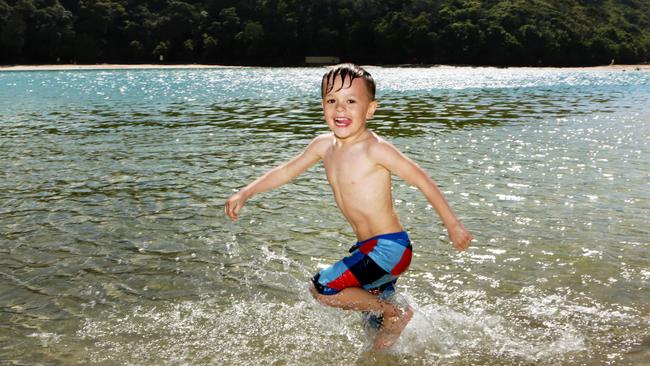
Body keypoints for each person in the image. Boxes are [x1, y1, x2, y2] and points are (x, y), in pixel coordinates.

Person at [224, 63, 473, 350]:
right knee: (371, 323)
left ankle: (395, 312)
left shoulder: (374, 148)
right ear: (323, 107)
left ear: (370, 109)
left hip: (389, 249)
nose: (340, 109)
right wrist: (245, 192)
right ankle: (383, 352)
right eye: (332, 101)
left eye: (351, 101)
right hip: (368, 250)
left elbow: (423, 180)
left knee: (323, 288)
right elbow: (286, 171)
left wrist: (453, 225)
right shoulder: (322, 146)